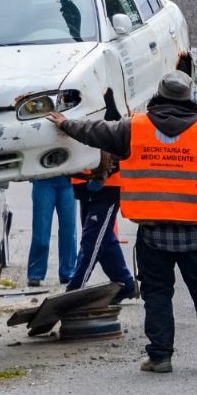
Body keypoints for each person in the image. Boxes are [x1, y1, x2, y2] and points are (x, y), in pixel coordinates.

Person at [48, 70, 197, 373]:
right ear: (189, 97)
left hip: (153, 233)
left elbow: (95, 131)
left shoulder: (135, 128)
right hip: (194, 232)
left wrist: (65, 123)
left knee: (158, 293)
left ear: (159, 94)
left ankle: (161, 357)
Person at [65, 88, 137, 303]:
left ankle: (73, 292)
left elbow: (114, 135)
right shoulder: (74, 98)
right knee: (104, 240)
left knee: (91, 241)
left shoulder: (105, 99)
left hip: (107, 187)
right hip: (84, 185)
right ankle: (126, 285)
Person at [27, 175, 77, 287]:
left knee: (68, 231)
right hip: (43, 180)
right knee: (41, 232)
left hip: (68, 180)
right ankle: (35, 273)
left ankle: (68, 272)